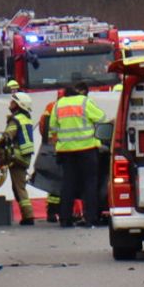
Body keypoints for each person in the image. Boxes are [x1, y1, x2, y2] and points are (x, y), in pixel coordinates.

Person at [46, 85, 106, 228]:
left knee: (68, 184)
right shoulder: (84, 101)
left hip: (66, 151)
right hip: (87, 148)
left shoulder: (58, 105)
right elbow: (101, 118)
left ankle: (65, 219)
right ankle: (90, 218)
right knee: (90, 183)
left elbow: (52, 128)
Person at [0, 91, 38, 225]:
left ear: (18, 105)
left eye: (12, 102)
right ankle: (27, 216)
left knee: (19, 187)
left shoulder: (15, 119)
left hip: (17, 157)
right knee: (18, 186)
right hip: (24, 156)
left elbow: (8, 136)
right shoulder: (26, 117)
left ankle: (28, 216)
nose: (10, 104)